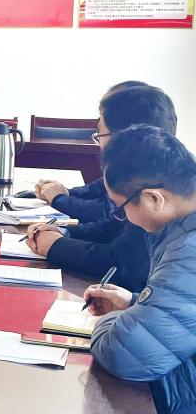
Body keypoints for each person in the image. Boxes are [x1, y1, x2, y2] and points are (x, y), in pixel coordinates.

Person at [85, 125, 196, 414]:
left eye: (120, 209)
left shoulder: (189, 249)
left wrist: (112, 320)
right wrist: (136, 304)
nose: (122, 218)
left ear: (153, 199)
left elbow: (125, 354)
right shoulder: (181, 230)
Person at [25, 85, 177, 291]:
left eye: (100, 134)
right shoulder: (151, 169)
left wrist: (56, 246)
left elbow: (123, 264)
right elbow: (114, 227)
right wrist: (64, 232)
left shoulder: (158, 187)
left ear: (122, 138)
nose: (99, 143)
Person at [35, 80, 150, 222]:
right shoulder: (130, 160)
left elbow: (104, 212)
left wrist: (59, 199)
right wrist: (67, 192)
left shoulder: (146, 169)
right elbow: (100, 188)